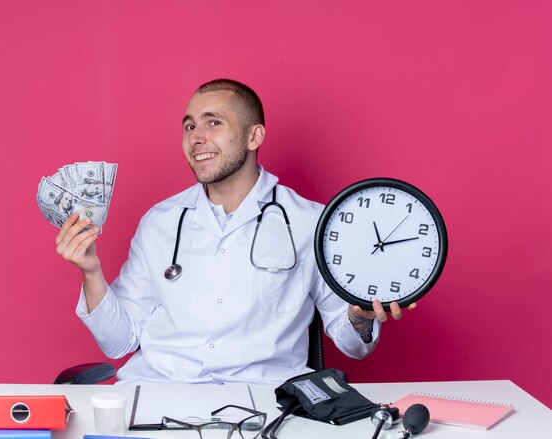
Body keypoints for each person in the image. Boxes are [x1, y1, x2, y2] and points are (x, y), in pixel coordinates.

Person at [55, 79, 415, 383]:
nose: (196, 137)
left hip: (263, 402)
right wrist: (91, 271)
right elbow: (120, 342)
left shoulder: (312, 222)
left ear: (253, 136)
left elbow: (353, 343)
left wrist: (359, 318)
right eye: (189, 126)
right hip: (159, 391)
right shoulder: (160, 221)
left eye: (213, 123)